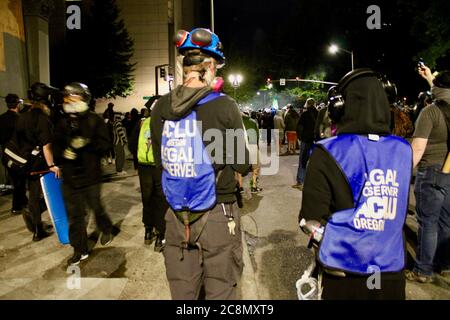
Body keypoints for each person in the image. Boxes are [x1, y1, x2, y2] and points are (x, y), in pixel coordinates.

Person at [151, 28, 250, 300]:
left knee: (183, 287)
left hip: (176, 212)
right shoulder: (224, 105)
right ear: (208, 67)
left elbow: (160, 160)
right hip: (218, 208)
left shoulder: (160, 107)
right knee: (222, 285)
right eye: (216, 67)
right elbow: (241, 163)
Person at [299, 69, 412, 300]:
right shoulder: (403, 150)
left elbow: (309, 221)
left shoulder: (326, 152)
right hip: (390, 271)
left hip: (344, 272)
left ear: (341, 107)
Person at [53, 82, 115, 265]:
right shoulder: (62, 122)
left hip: (91, 176)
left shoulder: (94, 120)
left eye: (74, 96)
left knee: (97, 208)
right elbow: (55, 146)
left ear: (83, 98)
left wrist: (87, 144)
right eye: (67, 97)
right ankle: (79, 249)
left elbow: (105, 144)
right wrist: (64, 153)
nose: (69, 100)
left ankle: (106, 228)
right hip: (70, 178)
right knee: (75, 216)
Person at [406, 67, 450, 282]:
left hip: (431, 170)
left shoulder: (430, 111)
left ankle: (422, 270)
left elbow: (417, 149)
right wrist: (431, 77)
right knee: (446, 221)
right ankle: (445, 264)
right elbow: (442, 91)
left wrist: (405, 173)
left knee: (428, 222)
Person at [15, 82, 60, 241]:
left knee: (33, 194)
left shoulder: (22, 116)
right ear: (45, 98)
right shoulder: (42, 118)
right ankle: (38, 217)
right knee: (53, 191)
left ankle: (37, 229)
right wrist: (52, 166)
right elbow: (46, 145)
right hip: (40, 163)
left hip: (26, 162)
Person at [129, 96, 168, 251]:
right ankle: (161, 235)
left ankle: (147, 231)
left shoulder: (142, 123)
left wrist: (138, 161)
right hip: (161, 167)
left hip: (144, 167)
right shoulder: (167, 124)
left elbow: (132, 144)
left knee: (147, 199)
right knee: (161, 199)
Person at [0, 94, 28, 214]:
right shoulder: (20, 119)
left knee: (16, 180)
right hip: (19, 156)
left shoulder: (1, 118)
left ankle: (23, 202)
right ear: (18, 104)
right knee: (19, 182)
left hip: (6, 156)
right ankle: (17, 206)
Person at [293, 98, 318, 190]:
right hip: (316, 141)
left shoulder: (304, 114)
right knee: (315, 162)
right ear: (314, 104)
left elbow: (299, 127)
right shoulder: (318, 114)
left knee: (303, 161)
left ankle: (300, 182)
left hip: (306, 140)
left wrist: (300, 138)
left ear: (307, 104)